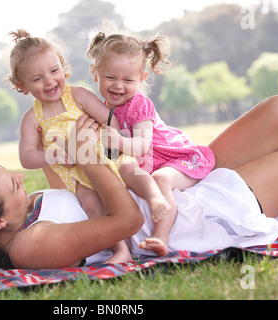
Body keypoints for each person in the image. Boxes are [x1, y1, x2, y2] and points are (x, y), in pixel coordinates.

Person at [0, 96, 278, 271]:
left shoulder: (25, 216)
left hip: (168, 187)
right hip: (189, 217)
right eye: (13, 186)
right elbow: (126, 223)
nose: (21, 178)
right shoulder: (29, 247)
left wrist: (66, 141)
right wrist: (91, 158)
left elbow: (68, 187)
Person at [5, 29, 170, 263]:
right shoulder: (32, 118)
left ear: (63, 67)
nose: (50, 80)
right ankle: (119, 250)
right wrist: (53, 155)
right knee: (91, 203)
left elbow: (110, 118)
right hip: (76, 172)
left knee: (131, 171)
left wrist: (111, 142)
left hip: (106, 153)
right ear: (22, 86)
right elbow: (27, 157)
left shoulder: (78, 96)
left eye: (54, 71)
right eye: (37, 79)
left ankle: (155, 198)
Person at [87, 32, 215, 256]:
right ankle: (121, 245)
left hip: (175, 157)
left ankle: (160, 237)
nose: (118, 86)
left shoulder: (139, 104)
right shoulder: (101, 108)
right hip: (148, 163)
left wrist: (118, 141)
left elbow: (142, 145)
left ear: (142, 78)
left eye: (128, 80)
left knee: (161, 179)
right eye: (110, 78)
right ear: (95, 73)